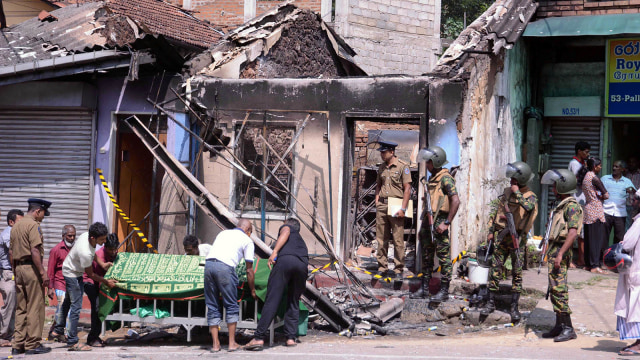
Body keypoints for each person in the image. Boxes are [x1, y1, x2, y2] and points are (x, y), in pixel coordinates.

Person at [481, 161, 538, 322]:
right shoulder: (506, 192)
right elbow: (497, 212)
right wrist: (491, 232)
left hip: (517, 238)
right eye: (511, 179)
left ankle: (514, 307)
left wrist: (517, 193)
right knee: (495, 268)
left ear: (521, 180)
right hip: (502, 235)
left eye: (514, 179)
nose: (511, 182)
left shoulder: (531, 196)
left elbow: (528, 208)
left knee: (517, 273)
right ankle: (490, 302)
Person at [245, 218, 308, 351]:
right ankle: (290, 338)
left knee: (272, 299)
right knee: (293, 301)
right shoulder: (301, 242)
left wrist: (274, 253)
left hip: (285, 261)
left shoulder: (287, 228)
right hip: (302, 265)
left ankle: (258, 337)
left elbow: (285, 232)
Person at [411, 146, 460, 302]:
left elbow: (456, 201)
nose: (426, 165)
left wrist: (447, 223)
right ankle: (424, 288)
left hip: (440, 221)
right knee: (427, 256)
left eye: (428, 162)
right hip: (429, 221)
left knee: (444, 258)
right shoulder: (433, 177)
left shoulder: (446, 178)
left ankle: (444, 291)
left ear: (435, 162)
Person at [540, 169, 583, 342]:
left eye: (555, 185)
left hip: (560, 251)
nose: (553, 189)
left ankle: (568, 328)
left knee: (559, 290)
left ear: (562, 186)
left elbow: (573, 233)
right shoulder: (561, 205)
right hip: (554, 250)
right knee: (554, 289)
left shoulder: (572, 206)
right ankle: (559, 325)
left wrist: (560, 254)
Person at [61, 222, 117, 351]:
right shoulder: (86, 252)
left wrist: (102, 265)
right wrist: (106, 282)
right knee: (78, 307)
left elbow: (93, 253)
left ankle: (58, 329)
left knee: (68, 302)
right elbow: (91, 274)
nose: (104, 242)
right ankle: (74, 341)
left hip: (78, 273)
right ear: (93, 238)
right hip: (79, 276)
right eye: (102, 239)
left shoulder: (88, 237)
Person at [204, 219, 256, 352]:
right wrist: (253, 290)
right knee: (231, 305)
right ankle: (231, 343)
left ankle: (216, 345)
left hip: (209, 266)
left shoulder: (223, 233)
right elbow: (249, 270)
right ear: (248, 230)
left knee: (212, 306)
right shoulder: (247, 240)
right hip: (225, 268)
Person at [9, 198, 52, 355]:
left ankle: (17, 344)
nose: (43, 217)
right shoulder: (33, 225)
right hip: (31, 268)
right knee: (35, 306)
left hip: (19, 269)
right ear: (37, 211)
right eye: (43, 214)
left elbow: (11, 252)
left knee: (21, 307)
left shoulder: (16, 226)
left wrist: (15, 271)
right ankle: (32, 344)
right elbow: (35, 250)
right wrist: (42, 272)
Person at [374, 140, 412, 276]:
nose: (382, 155)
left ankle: (398, 268)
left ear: (392, 152)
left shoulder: (403, 166)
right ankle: (382, 267)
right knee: (381, 238)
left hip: (397, 203)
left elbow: (407, 188)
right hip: (383, 204)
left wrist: (403, 208)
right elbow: (378, 184)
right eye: (381, 152)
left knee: (397, 238)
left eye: (384, 152)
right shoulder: (381, 167)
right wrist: (377, 199)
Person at [615, 190, 640, 356]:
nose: (633, 202)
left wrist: (621, 243)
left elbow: (628, 243)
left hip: (636, 272)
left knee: (636, 308)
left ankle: (639, 345)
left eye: (637, 199)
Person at [82, 233, 117, 347]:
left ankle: (95, 336)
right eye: (110, 250)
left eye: (115, 249)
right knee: (97, 307)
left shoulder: (115, 255)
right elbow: (93, 276)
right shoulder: (100, 256)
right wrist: (107, 282)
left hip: (101, 283)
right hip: (90, 281)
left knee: (101, 307)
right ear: (105, 247)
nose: (113, 252)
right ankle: (92, 338)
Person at [47, 224, 76, 342]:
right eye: (69, 236)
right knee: (63, 307)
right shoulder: (56, 250)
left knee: (63, 309)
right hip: (60, 283)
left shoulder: (76, 249)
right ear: (63, 236)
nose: (72, 238)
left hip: (72, 283)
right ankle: (66, 334)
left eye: (74, 236)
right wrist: (50, 287)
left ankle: (54, 330)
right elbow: (50, 270)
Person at [582, 157, 609, 273]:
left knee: (589, 238)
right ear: (594, 166)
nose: (600, 167)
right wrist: (602, 196)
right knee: (596, 239)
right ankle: (594, 265)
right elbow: (606, 195)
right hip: (595, 210)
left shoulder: (586, 176)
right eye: (599, 165)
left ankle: (588, 264)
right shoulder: (595, 178)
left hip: (588, 209)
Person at [0, 209, 22, 346]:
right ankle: (2, 334)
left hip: (13, 273)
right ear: (11, 222)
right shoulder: (8, 234)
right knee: (9, 305)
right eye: (20, 222)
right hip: (8, 273)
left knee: (14, 305)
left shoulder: (15, 233)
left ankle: (9, 334)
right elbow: (12, 252)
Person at [602, 160, 636, 245]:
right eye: (613, 166)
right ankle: (603, 256)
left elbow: (635, 192)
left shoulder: (627, 181)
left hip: (620, 213)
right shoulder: (605, 179)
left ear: (622, 169)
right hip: (606, 212)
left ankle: (615, 256)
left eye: (617, 167)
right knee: (604, 236)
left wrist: (631, 190)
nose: (614, 168)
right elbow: (597, 191)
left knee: (619, 237)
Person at [568, 141, 590, 268]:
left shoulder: (582, 163)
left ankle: (581, 260)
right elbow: (578, 181)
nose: (588, 154)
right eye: (586, 151)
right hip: (575, 200)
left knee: (582, 233)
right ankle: (570, 260)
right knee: (573, 231)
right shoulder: (574, 163)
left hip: (583, 201)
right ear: (579, 151)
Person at [625, 156, 640, 227]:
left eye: (633, 162)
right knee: (626, 225)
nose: (631, 164)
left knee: (634, 225)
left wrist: (634, 191)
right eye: (630, 162)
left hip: (636, 205)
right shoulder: (625, 174)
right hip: (626, 203)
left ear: (637, 163)